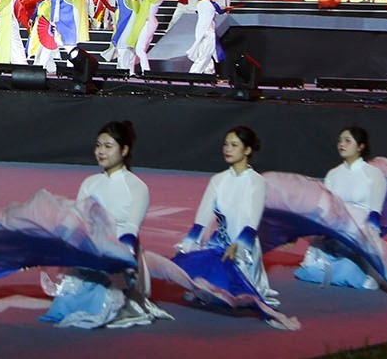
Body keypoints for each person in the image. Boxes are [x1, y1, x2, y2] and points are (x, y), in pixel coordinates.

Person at [40, 120, 166, 329]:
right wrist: (50, 243)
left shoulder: (137, 187)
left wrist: (118, 259)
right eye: (98, 145)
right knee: (67, 306)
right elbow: (74, 219)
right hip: (90, 252)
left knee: (101, 309)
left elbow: (130, 229)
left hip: (121, 255)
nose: (100, 151)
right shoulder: (90, 183)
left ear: (124, 150)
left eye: (108, 146)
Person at [172, 126, 292, 324]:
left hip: (244, 247)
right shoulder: (218, 180)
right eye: (226, 144)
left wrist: (238, 245)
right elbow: (202, 218)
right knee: (206, 285)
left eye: (234, 145)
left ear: (247, 150)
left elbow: (252, 221)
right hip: (218, 244)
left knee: (236, 293)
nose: (227, 149)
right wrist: (187, 245)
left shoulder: (256, 181)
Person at [295, 126, 387, 290]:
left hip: (361, 235)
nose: (341, 144)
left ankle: (357, 270)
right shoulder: (333, 174)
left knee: (352, 271)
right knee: (309, 270)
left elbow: (374, 214)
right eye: (340, 141)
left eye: (347, 141)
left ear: (360, 146)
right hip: (336, 232)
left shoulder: (373, 174)